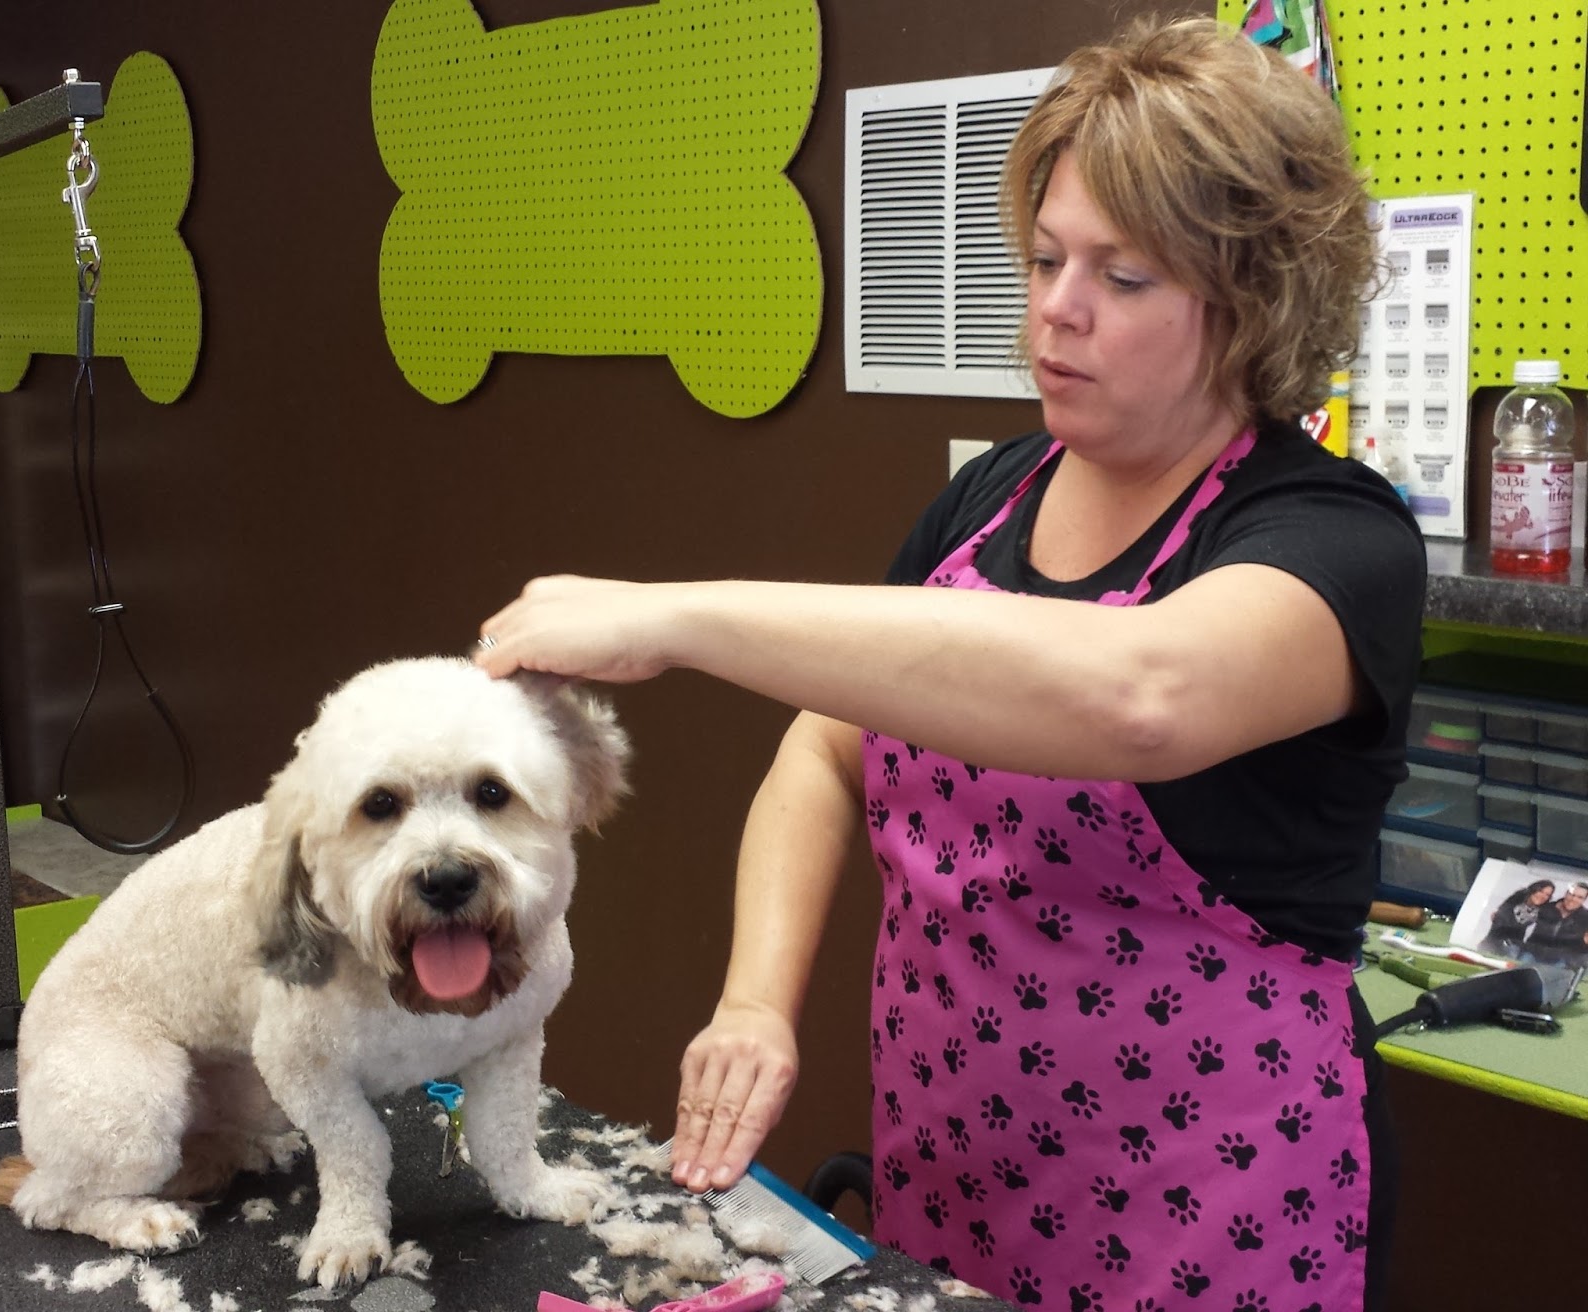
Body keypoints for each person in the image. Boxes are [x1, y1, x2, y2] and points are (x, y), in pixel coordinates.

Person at [476, 16, 1424, 1310]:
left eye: (1124, 276)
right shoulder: (990, 502)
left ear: (1253, 299)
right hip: (955, 1162)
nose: (1058, 308)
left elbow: (1139, 696)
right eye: (1044, 257)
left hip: (1212, 1205)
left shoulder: (1334, 540)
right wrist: (756, 1001)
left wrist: (675, 618)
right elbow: (826, 748)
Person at [1480, 878, 1555, 959]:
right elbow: (1499, 919)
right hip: (1495, 939)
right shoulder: (1517, 898)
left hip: (1514, 944)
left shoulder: (1542, 910)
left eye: (1547, 895)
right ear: (1534, 889)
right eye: (1541, 891)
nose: (1543, 896)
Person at [1520, 882, 1588, 967]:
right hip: (1531, 954)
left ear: (1584, 900)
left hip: (1560, 962)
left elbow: (1583, 950)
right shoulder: (1546, 908)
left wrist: (1585, 944)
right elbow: (1520, 921)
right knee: (1519, 969)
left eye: (1580, 897)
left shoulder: (1585, 918)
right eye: (1571, 894)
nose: (1573, 899)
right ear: (1566, 893)